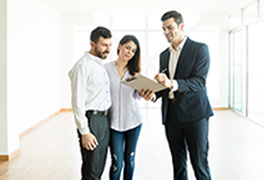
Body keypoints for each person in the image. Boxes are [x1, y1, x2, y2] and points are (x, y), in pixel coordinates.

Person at [140, 10, 214, 180]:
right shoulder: (164, 55)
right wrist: (151, 95)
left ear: (181, 26)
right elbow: (163, 86)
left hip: (195, 115)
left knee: (199, 163)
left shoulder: (199, 49)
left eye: (170, 27)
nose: (166, 32)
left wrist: (172, 83)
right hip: (171, 115)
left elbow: (199, 81)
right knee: (178, 162)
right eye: (163, 29)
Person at [104, 35, 153, 180]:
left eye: (133, 51)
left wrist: (145, 94)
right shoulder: (105, 69)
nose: (129, 52)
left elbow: (139, 96)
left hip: (133, 122)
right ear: (119, 46)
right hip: (113, 125)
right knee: (116, 163)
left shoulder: (136, 74)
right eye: (127, 47)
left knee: (129, 160)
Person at [68, 26, 113, 180]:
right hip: (92, 120)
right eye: (104, 45)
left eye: (110, 45)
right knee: (91, 171)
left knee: (99, 167)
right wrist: (85, 132)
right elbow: (77, 102)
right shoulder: (83, 66)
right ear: (92, 44)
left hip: (104, 119)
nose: (108, 49)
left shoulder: (100, 64)